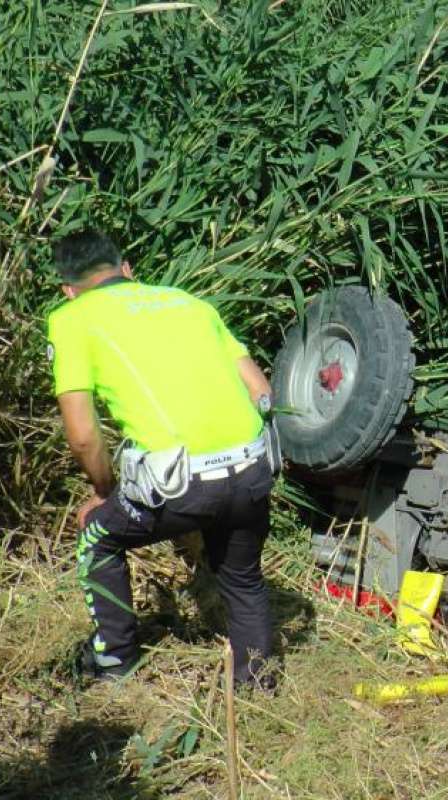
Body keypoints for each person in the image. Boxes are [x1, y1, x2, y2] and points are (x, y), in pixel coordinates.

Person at [47, 229, 278, 688]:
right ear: (127, 270)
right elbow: (262, 392)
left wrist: (104, 491)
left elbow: (82, 437)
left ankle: (114, 660)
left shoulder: (70, 318)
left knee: (98, 536)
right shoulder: (191, 304)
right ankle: (258, 683)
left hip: (182, 484)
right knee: (243, 579)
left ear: (67, 290)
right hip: (254, 468)